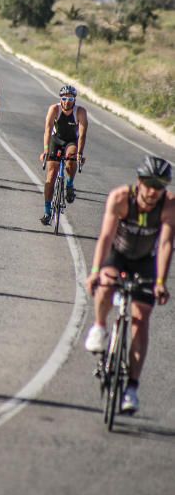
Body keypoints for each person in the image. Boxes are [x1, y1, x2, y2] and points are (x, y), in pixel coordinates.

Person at [84, 156, 175, 413]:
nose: (153, 191)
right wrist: (94, 272)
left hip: (146, 260)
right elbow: (106, 236)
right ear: (139, 181)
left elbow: (167, 243)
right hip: (119, 255)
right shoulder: (121, 198)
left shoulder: (169, 205)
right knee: (105, 284)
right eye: (148, 183)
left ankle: (132, 388)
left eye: (160, 185)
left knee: (141, 317)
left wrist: (160, 282)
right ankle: (100, 327)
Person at [39, 85, 88, 225]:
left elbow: (83, 135)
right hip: (56, 140)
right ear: (60, 99)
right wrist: (46, 150)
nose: (67, 101)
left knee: (72, 157)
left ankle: (70, 184)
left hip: (71, 141)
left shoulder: (80, 112)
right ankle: (47, 210)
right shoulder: (54, 109)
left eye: (70, 99)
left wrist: (79, 153)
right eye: (64, 98)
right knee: (51, 174)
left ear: (74, 100)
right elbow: (47, 130)